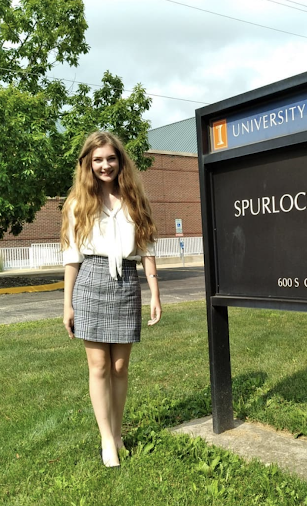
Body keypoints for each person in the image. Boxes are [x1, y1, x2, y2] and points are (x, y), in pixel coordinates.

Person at [61, 131, 162, 468]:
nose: (105, 165)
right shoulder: (78, 203)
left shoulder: (135, 199)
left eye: (111, 158)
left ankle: (117, 433)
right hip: (90, 279)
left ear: (120, 161)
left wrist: (155, 293)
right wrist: (67, 304)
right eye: (98, 160)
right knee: (99, 366)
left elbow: (147, 250)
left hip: (126, 282)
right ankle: (106, 439)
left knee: (120, 367)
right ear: (88, 164)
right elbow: (72, 257)